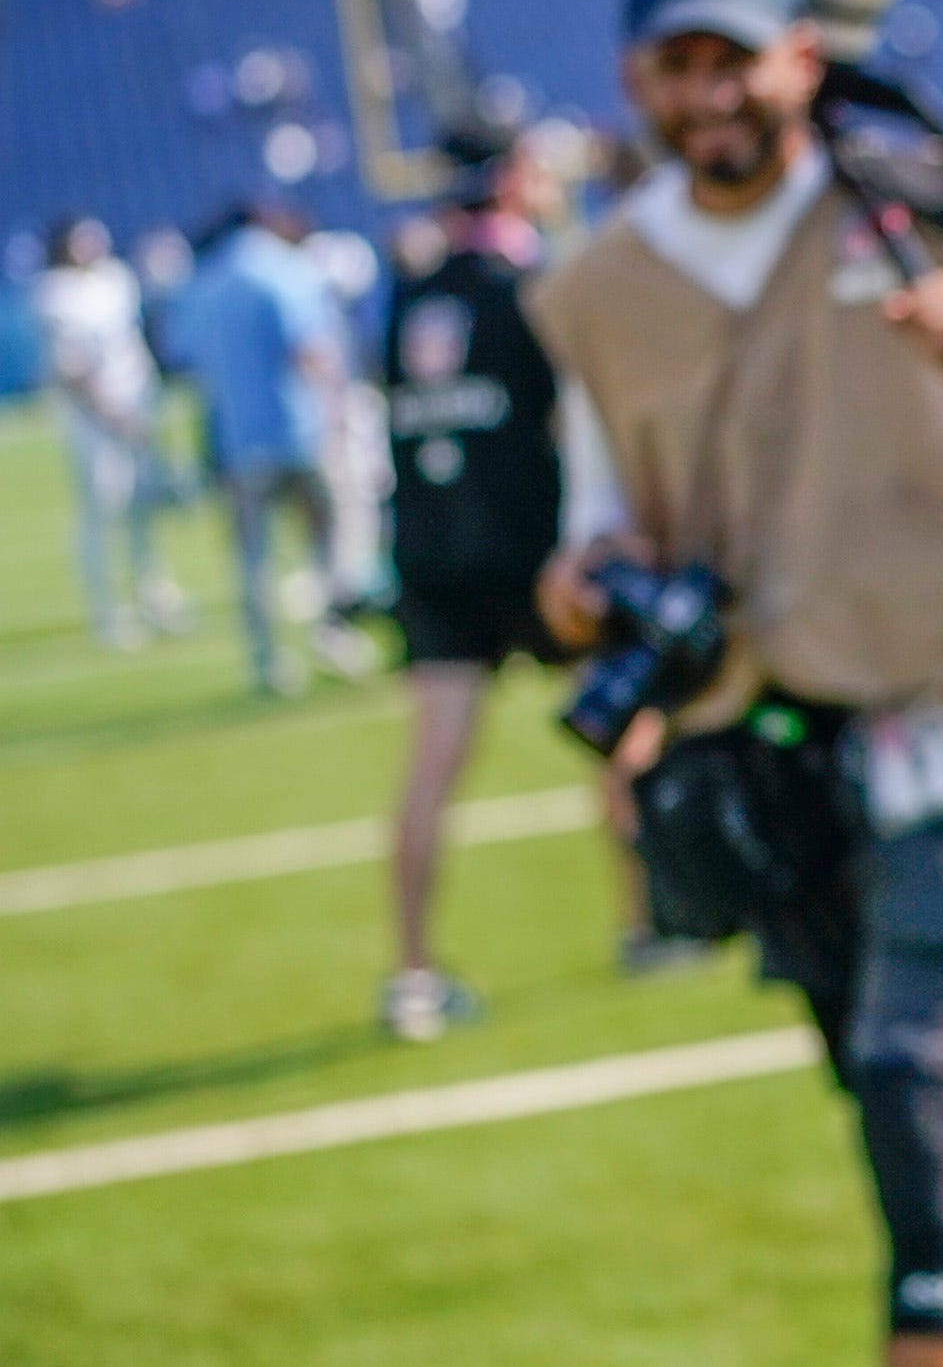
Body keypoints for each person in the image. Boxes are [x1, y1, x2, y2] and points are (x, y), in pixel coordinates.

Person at [531, 0, 943, 1367]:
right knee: (931, 1099)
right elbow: (583, 540)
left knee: (908, 1062)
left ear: (799, 55)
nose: (710, 94)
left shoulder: (922, 203)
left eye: (734, 55)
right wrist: (586, 583)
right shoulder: (595, 291)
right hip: (763, 745)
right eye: (678, 65)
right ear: (635, 83)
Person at [377, 118, 666, 1041]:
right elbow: (576, 426)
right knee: (618, 730)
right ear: (509, 180)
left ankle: (413, 973)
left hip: (431, 550)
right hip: (533, 551)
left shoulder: (410, 290)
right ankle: (648, 923)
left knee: (432, 765)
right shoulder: (530, 286)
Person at [176, 197, 373, 695]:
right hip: (297, 430)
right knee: (330, 535)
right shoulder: (284, 271)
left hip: (237, 441)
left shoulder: (203, 285)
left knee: (253, 559)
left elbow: (189, 365)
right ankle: (334, 634)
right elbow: (310, 350)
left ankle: (266, 661)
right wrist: (341, 411)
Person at [35, 214, 183, 649]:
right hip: (93, 418)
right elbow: (73, 366)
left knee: (143, 506)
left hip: (135, 404)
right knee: (103, 508)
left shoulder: (116, 279)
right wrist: (111, 412)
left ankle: (154, 594)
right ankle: (107, 608)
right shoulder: (54, 295)